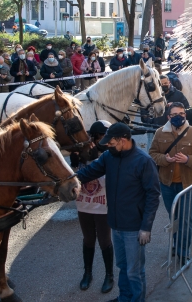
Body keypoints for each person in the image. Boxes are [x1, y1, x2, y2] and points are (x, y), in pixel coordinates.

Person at [75, 123, 161, 302]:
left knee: (134, 271)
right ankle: (124, 297)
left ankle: (136, 299)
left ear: (123, 140)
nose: (108, 146)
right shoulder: (109, 156)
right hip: (115, 224)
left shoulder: (144, 161)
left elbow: (153, 196)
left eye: (111, 143)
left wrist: (146, 227)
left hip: (134, 228)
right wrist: (70, 180)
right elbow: (90, 171)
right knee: (122, 266)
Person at [149, 102, 192, 261]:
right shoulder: (160, 133)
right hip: (167, 184)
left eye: (181, 114)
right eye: (175, 114)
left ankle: (184, 252)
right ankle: (177, 244)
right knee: (174, 217)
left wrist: (188, 159)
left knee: (186, 219)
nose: (179, 117)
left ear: (185, 115)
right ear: (168, 117)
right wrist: (165, 159)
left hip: (188, 185)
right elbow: (153, 153)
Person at [75, 120, 115, 293]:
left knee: (105, 240)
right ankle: (87, 273)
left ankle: (109, 275)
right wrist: (77, 156)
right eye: (101, 136)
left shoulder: (110, 153)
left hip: (103, 204)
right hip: (84, 202)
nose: (105, 140)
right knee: (88, 239)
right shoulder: (82, 151)